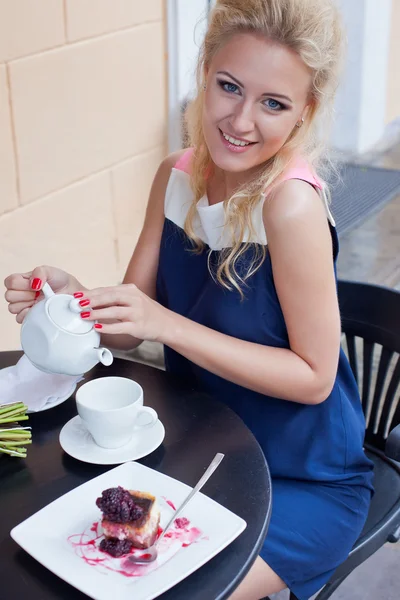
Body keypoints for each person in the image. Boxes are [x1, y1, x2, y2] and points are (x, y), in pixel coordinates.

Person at [5, 1, 374, 598]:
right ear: (204, 73)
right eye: (229, 87)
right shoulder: (174, 177)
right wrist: (73, 301)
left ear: (304, 112)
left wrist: (168, 325)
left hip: (302, 480)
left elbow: (314, 378)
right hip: (201, 445)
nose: (241, 121)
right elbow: (129, 327)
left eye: (273, 103)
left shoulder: (290, 206)